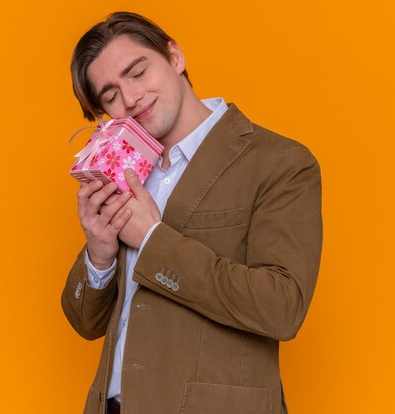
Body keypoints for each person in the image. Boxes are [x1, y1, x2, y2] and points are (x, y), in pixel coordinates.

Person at [62, 11, 322, 414]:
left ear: (175, 57)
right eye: (110, 95)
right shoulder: (126, 174)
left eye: (137, 72)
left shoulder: (279, 163)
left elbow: (282, 307)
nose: (129, 99)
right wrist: (99, 254)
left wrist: (152, 241)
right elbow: (86, 324)